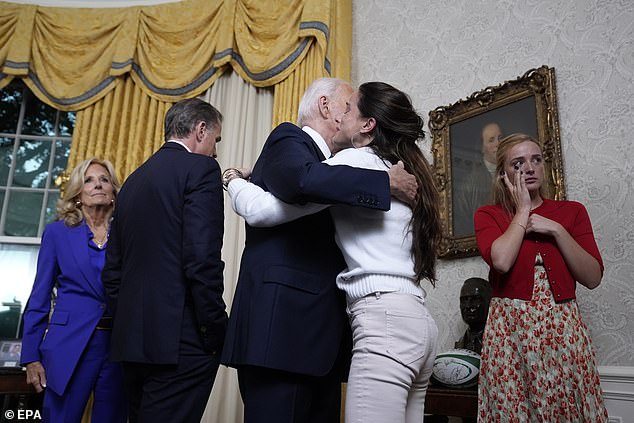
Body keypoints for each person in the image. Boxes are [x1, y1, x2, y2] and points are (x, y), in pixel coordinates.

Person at [224, 81, 441, 423]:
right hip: (294, 332)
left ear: (369, 124)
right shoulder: (297, 140)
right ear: (325, 106)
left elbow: (263, 208)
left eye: (353, 108)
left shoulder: (352, 163)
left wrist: (234, 179)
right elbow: (302, 182)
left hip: (361, 327)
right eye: (346, 104)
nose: (345, 115)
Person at [102, 98, 228, 423]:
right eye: (215, 140)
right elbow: (202, 259)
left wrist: (130, 321)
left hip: (132, 342)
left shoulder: (132, 181)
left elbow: (112, 271)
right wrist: (215, 329)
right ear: (200, 130)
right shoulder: (202, 169)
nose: (215, 151)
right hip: (181, 342)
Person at [474, 133, 608, 422]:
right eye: (518, 163)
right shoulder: (489, 214)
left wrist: (558, 230)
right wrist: (522, 210)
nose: (530, 168)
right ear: (503, 174)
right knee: (514, 407)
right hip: (510, 332)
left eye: (536, 160)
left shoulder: (572, 212)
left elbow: (593, 276)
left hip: (562, 329)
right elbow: (501, 260)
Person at [20, 158, 127, 423]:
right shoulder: (57, 233)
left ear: (114, 191)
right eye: (89, 180)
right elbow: (40, 295)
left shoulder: (128, 233)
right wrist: (30, 355)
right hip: (69, 344)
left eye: (104, 179)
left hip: (119, 346)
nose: (98, 185)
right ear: (78, 193)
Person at [453, 122, 502, 237]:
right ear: (482, 147)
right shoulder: (469, 183)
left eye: (500, 138)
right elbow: (463, 222)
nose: (498, 144)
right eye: (491, 140)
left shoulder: (515, 172)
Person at [454, 277, 492, 355]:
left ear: (489, 302)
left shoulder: (499, 342)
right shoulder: (460, 344)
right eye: (464, 300)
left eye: (476, 299)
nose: (468, 306)